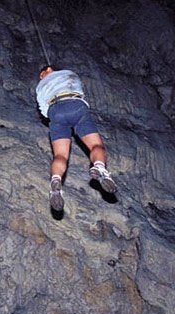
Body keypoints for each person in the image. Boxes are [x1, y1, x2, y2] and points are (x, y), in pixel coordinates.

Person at [35, 66, 116, 211]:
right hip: (75, 105)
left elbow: (43, 111)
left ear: (45, 71)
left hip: (55, 111)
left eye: (42, 74)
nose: (41, 77)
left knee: (60, 155)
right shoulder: (70, 74)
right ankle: (100, 168)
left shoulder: (40, 86)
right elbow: (79, 90)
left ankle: (56, 181)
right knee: (96, 146)